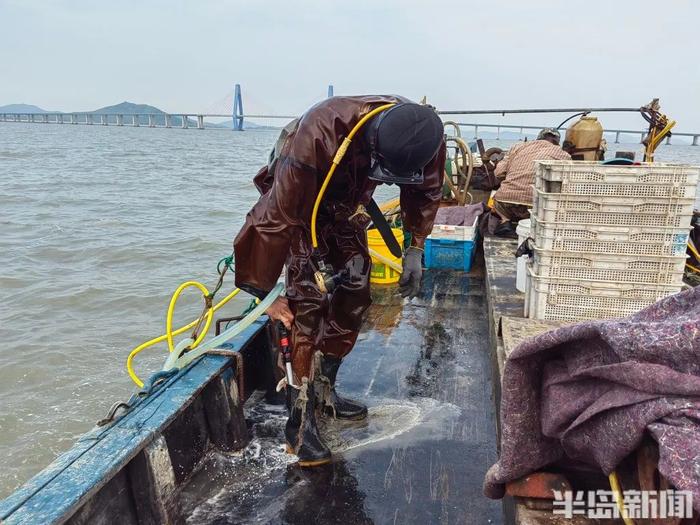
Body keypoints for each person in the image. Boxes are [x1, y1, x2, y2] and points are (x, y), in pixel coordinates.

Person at [233, 96, 446, 466]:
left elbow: (425, 191)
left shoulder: (427, 134)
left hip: (348, 208)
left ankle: (325, 392)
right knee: (308, 302)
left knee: (355, 292)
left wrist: (416, 246)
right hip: (301, 206)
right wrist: (264, 294)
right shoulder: (320, 129)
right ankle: (298, 423)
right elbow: (275, 215)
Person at [490, 128, 571, 238]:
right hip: (534, 207)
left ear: (538, 138)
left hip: (504, 203)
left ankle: (505, 222)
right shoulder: (564, 155)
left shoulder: (518, 146)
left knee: (497, 200)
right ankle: (532, 228)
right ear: (557, 142)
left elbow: (498, 173)